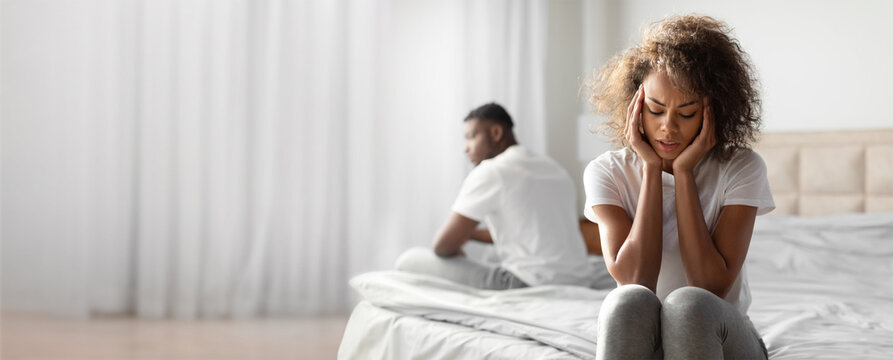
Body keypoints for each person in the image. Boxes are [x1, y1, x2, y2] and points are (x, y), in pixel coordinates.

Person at [583, 15, 774, 359]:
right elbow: (635, 279)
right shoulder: (607, 172)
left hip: (721, 338)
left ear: (712, 113)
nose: (667, 128)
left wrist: (683, 174)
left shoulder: (740, 168)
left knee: (688, 305)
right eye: (655, 110)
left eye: (686, 114)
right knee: (626, 300)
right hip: (647, 341)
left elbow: (709, 287)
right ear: (635, 109)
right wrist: (652, 171)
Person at [395, 102, 594, 290]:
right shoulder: (555, 169)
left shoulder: (492, 171)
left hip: (526, 283)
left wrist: (457, 240)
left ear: (496, 133)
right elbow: (525, 232)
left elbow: (442, 246)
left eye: (471, 137)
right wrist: (468, 234)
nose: (466, 147)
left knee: (409, 259)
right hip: (579, 280)